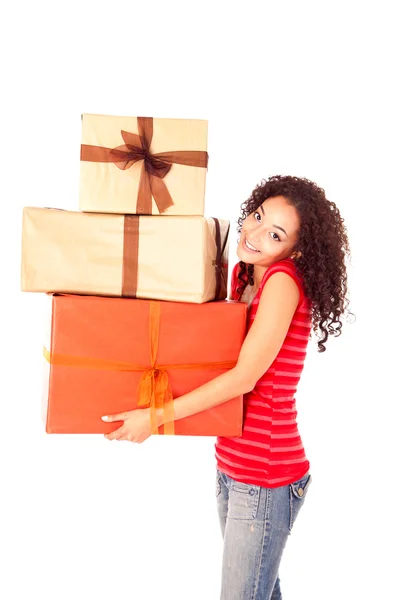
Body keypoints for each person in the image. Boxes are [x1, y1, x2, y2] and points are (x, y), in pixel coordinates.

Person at [101, 175, 351, 600]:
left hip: (265, 474)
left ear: (297, 249)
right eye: (257, 217)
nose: (254, 234)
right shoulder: (244, 275)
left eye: (275, 234)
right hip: (233, 465)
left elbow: (243, 378)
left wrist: (156, 418)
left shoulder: (282, 281)